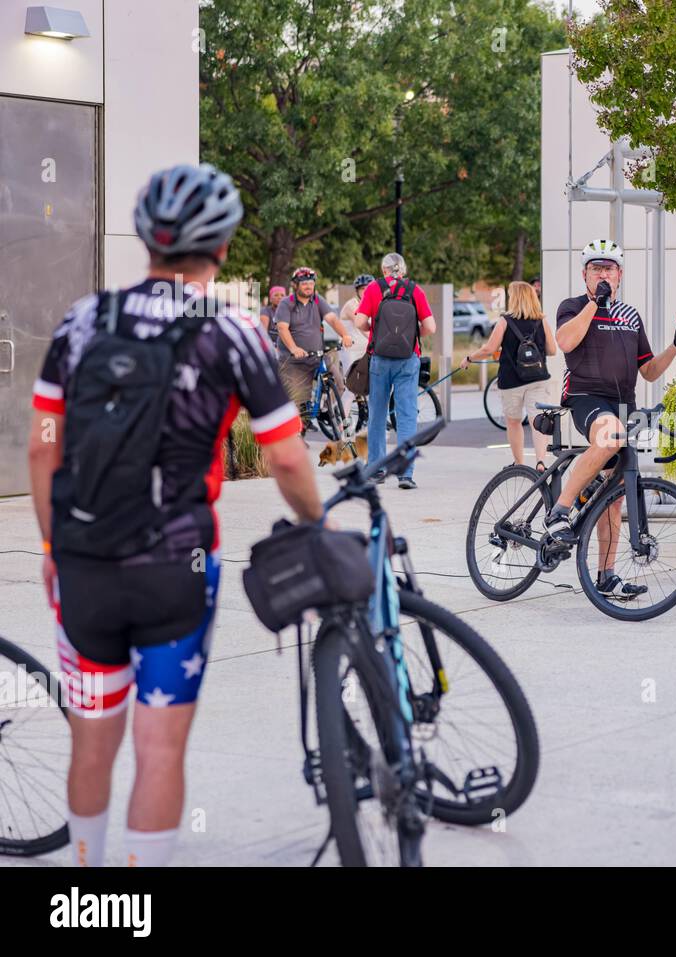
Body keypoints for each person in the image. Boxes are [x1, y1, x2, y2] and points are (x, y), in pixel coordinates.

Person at [27, 163, 323, 867]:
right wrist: (319, 523)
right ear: (220, 248)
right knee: (159, 749)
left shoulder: (83, 319)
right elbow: (284, 458)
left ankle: (91, 894)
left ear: (146, 241)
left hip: (86, 562)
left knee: (92, 740)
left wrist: (51, 545)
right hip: (177, 564)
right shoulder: (231, 330)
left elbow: (43, 449)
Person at [543, 239, 676, 600]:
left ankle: (606, 576)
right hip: (585, 399)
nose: (602, 274)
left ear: (620, 274)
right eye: (595, 268)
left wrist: (675, 347)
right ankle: (560, 511)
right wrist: (595, 304)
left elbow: (650, 371)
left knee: (613, 498)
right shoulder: (574, 306)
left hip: (623, 401)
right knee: (609, 436)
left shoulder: (630, 316)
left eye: (608, 268)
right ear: (585, 275)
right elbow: (564, 342)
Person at [353, 253, 437, 489]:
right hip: (408, 359)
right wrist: (412, 336)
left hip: (379, 358)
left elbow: (359, 322)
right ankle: (405, 474)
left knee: (377, 414)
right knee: (407, 415)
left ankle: (377, 469)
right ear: (403, 270)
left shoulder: (373, 289)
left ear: (384, 270)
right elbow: (430, 326)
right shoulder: (414, 290)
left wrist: (375, 331)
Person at [462, 280, 557, 469]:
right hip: (538, 378)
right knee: (536, 420)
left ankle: (519, 463)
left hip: (511, 380)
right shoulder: (541, 320)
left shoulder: (505, 321)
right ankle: (540, 461)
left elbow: (489, 348)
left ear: (515, 298)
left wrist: (469, 358)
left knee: (513, 422)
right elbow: (553, 350)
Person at [273, 267, 353, 433]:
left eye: (311, 283)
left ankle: (325, 408)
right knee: (300, 400)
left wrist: (344, 335)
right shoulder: (286, 304)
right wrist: (294, 348)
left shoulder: (318, 300)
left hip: (316, 355)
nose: (309, 286)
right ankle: (297, 434)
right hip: (293, 360)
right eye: (304, 283)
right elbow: (282, 328)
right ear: (296, 285)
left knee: (339, 382)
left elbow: (332, 319)